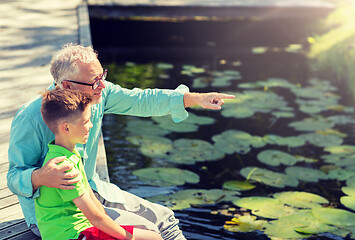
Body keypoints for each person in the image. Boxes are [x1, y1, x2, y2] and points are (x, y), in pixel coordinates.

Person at [7, 44, 235, 239]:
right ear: (67, 85)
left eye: (102, 76)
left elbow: (142, 100)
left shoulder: (98, 93)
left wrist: (195, 99)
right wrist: (41, 177)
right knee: (148, 230)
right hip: (55, 218)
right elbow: (14, 177)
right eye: (94, 81)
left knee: (167, 220)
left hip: (92, 191)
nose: (102, 86)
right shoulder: (30, 118)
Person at [36, 88, 162, 240]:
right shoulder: (64, 167)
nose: (90, 125)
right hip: (71, 235)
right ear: (66, 128)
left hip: (81, 228)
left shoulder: (69, 153)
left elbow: (92, 199)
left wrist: (116, 228)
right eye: (86, 121)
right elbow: (95, 217)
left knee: (152, 236)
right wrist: (129, 238)